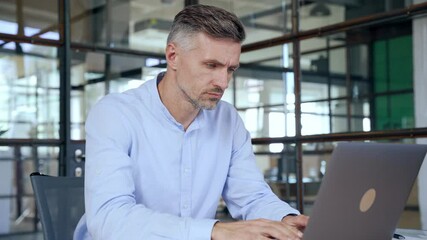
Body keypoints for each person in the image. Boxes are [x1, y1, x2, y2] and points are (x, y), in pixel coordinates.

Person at [74, 4, 308, 240]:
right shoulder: (114, 114)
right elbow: (110, 219)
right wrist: (214, 231)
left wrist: (286, 221)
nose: (223, 82)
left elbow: (252, 196)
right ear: (173, 56)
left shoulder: (228, 120)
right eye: (211, 65)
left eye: (230, 69)